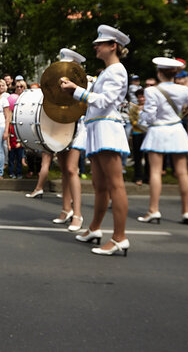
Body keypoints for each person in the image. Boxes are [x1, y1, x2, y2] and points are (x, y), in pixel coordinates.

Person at [60, 25, 131, 256]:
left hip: (107, 129)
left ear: (113, 46)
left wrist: (77, 91)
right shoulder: (106, 72)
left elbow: (104, 101)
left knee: (115, 185)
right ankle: (95, 228)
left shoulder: (117, 70)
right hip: (98, 128)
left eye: (101, 43)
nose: (96, 46)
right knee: (100, 186)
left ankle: (120, 237)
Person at [137, 57, 188, 225]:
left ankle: (153, 210)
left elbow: (149, 117)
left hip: (158, 131)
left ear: (159, 73)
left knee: (155, 172)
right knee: (182, 172)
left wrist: (141, 116)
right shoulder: (182, 90)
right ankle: (186, 212)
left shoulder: (152, 91)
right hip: (177, 131)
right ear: (174, 74)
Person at [51, 49, 87, 232]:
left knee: (72, 169)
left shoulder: (84, 84)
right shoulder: (58, 85)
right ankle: (66, 209)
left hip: (78, 128)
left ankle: (78, 214)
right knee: (64, 169)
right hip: (62, 127)